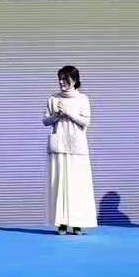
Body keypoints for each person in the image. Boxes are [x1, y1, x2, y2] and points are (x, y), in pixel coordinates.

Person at [44, 66, 97, 234]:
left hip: (76, 147)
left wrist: (69, 113)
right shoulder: (53, 99)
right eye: (60, 79)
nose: (61, 82)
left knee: (77, 185)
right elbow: (45, 121)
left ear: (74, 81)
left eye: (65, 79)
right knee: (59, 183)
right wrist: (57, 116)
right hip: (59, 146)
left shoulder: (82, 99)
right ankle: (61, 223)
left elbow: (86, 122)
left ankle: (77, 223)